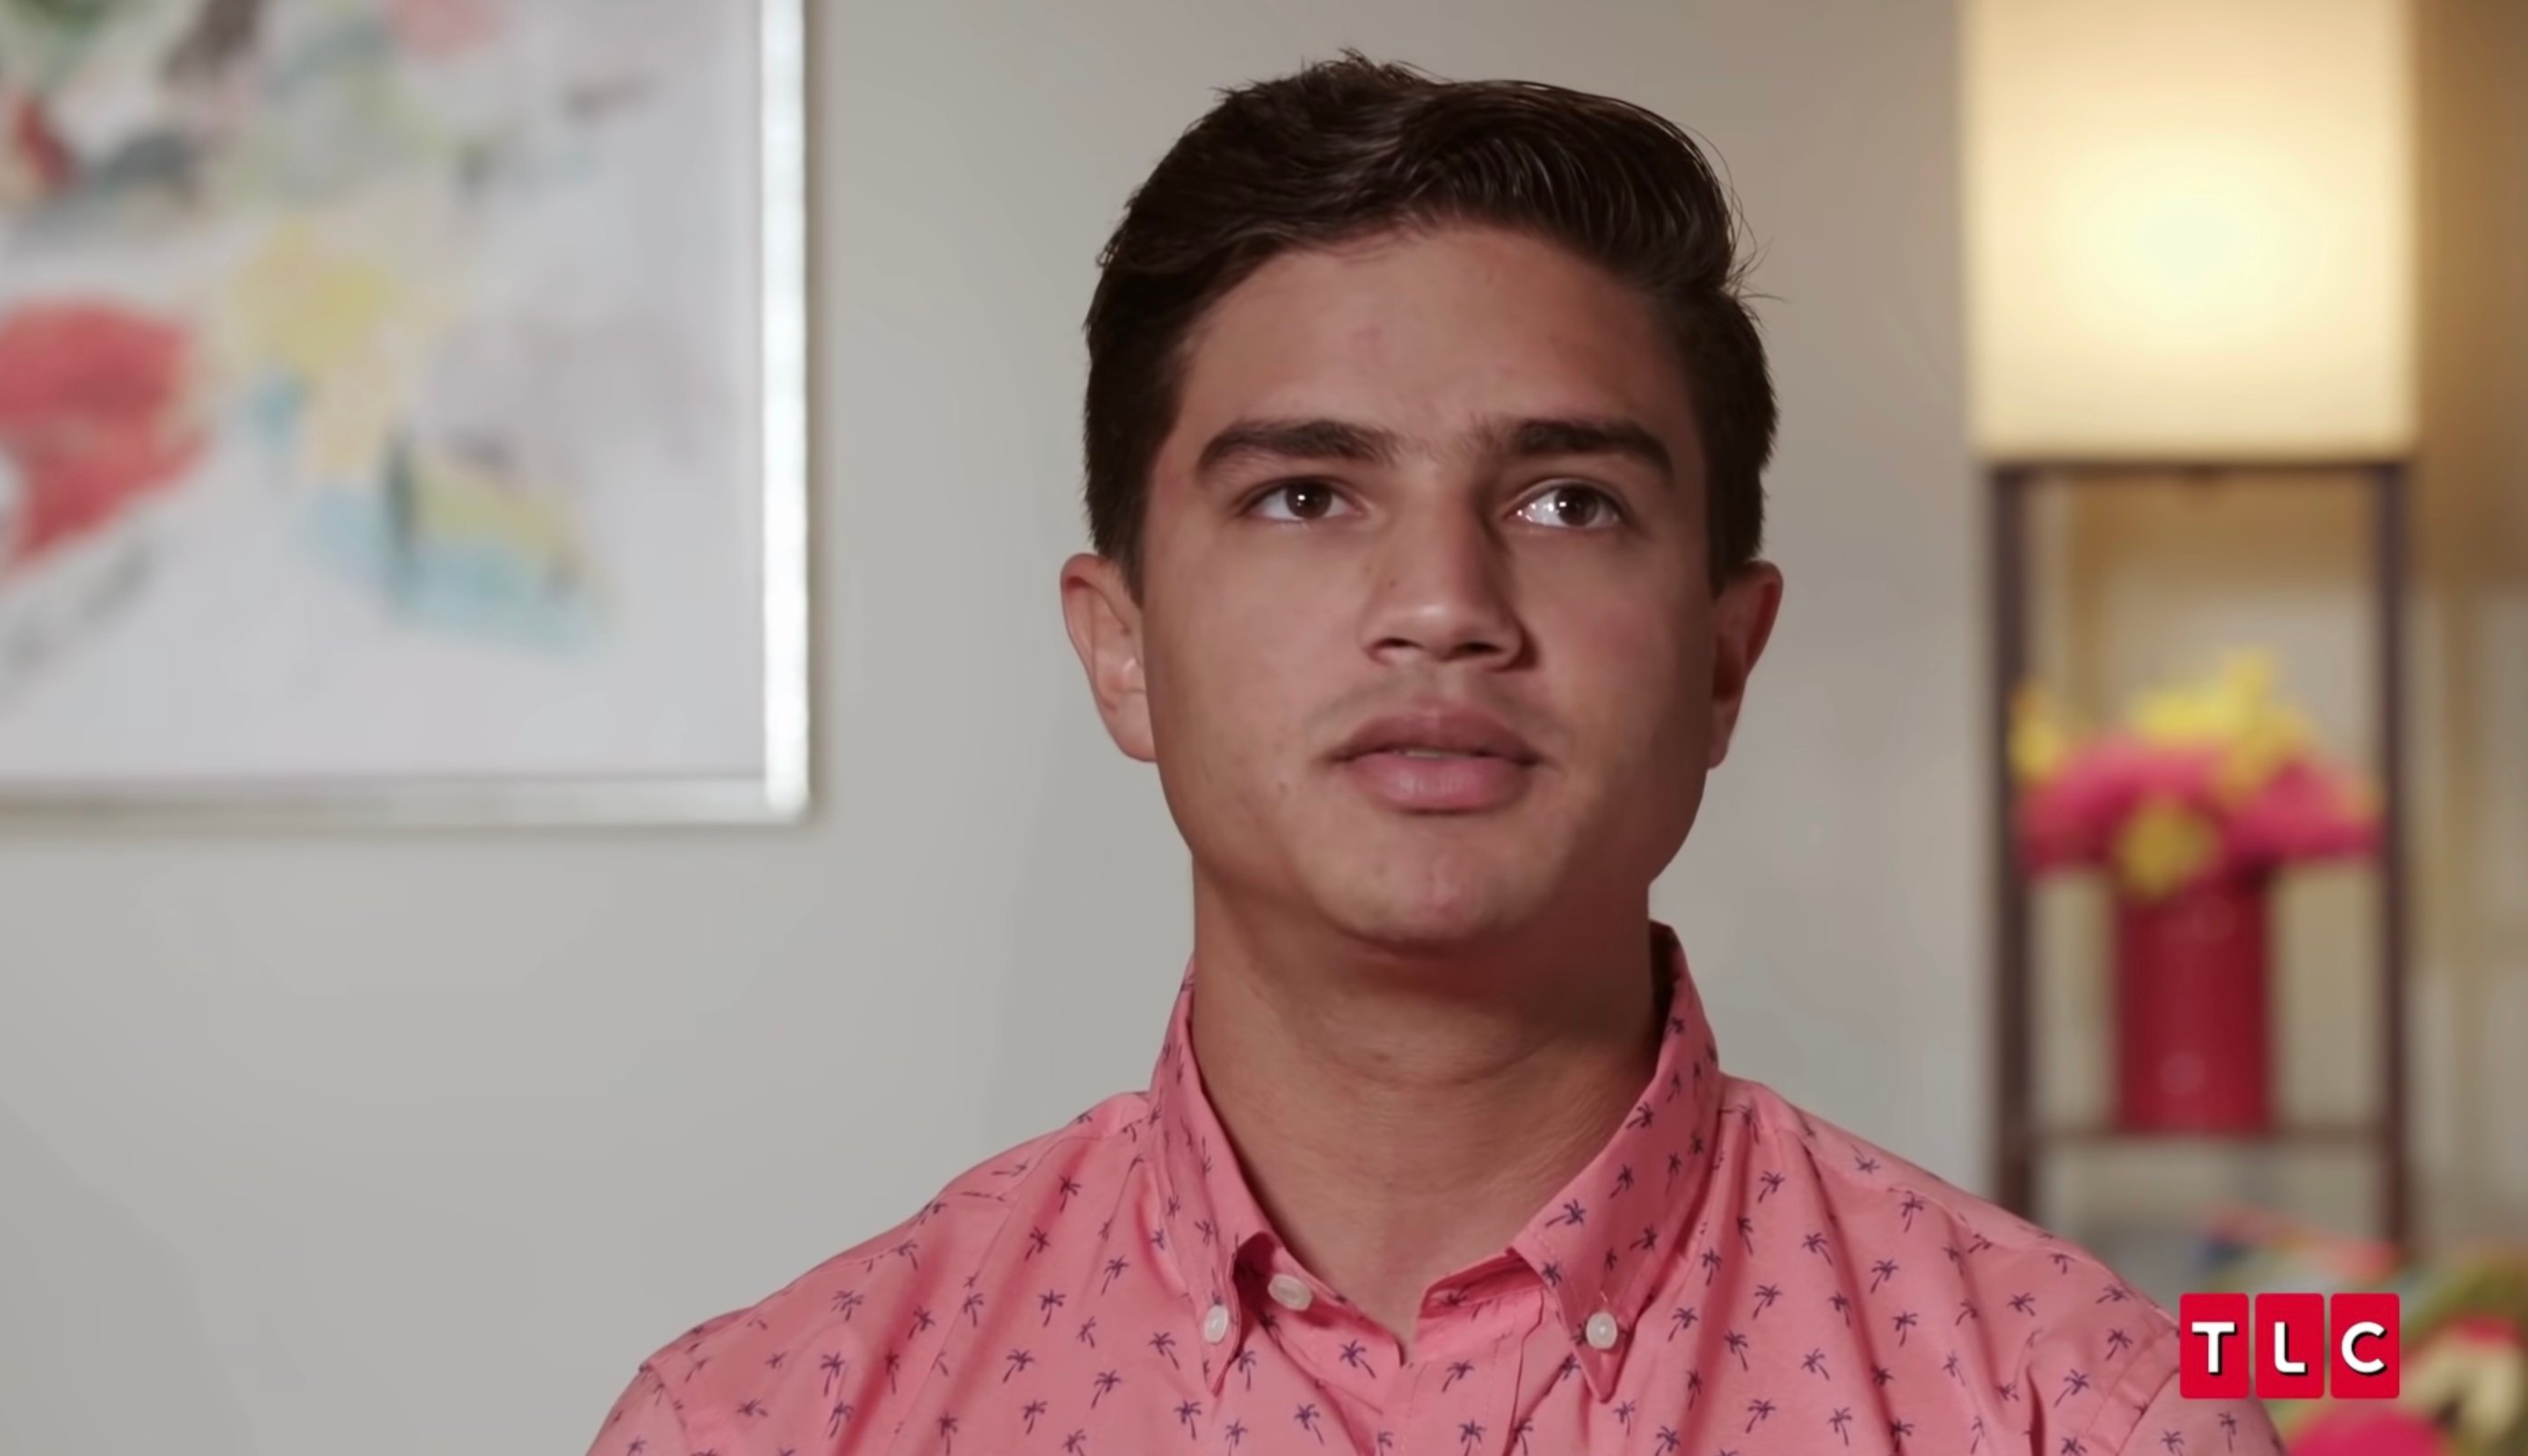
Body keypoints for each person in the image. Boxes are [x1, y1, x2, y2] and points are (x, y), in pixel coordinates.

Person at [582, 55, 2281, 1455]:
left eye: (1566, 500)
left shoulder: (2092, 1411)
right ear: (1122, 646)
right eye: (1307, 496)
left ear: (1722, 658)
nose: (1445, 605)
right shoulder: (769, 1421)